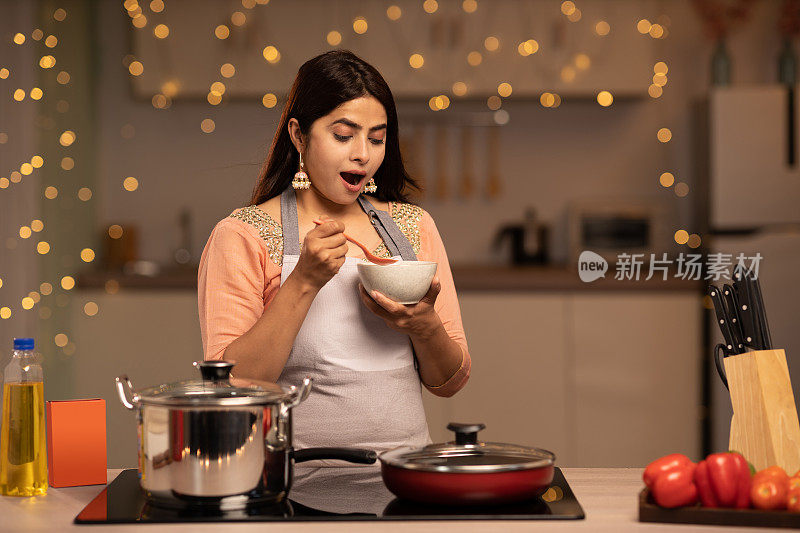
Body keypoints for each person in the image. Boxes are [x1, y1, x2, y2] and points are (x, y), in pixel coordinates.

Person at [197, 50, 471, 483]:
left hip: (408, 479)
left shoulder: (414, 226)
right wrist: (304, 280)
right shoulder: (242, 234)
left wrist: (424, 326)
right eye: (343, 135)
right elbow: (230, 388)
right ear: (299, 136)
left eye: (377, 139)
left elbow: (449, 381)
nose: (363, 154)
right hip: (289, 482)